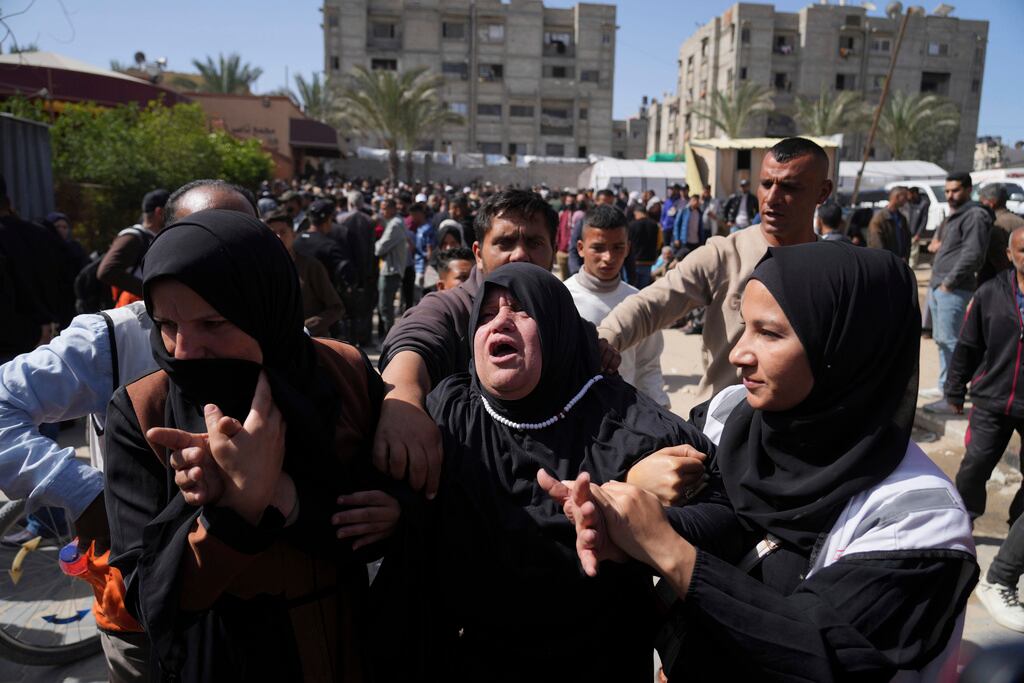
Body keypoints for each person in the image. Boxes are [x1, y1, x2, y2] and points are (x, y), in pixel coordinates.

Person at [547, 242, 979, 680]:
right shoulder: (730, 418)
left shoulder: (918, 519)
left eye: (769, 333)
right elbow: (722, 524)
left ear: (844, 346)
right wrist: (626, 518)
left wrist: (671, 553)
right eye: (744, 327)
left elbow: (824, 651)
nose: (738, 353)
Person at [370, 263, 712, 682]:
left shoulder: (620, 417)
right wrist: (398, 510)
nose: (500, 322)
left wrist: (634, 508)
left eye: (520, 310)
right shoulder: (452, 411)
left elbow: (721, 505)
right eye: (485, 314)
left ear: (556, 327)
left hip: (597, 663)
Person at [104, 209, 394, 681]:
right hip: (215, 660)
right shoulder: (143, 411)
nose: (184, 350)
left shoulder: (342, 375)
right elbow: (147, 595)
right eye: (167, 325)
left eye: (213, 323)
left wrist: (290, 498)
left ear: (267, 307)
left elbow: (394, 505)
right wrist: (236, 511)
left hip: (344, 644)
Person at [0, 179, 258, 682]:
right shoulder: (114, 337)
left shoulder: (291, 339)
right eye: (194, 241)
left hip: (259, 603)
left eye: (238, 246)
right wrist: (84, 493)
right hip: (138, 616)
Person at [599, 137, 834, 404]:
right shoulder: (723, 255)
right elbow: (652, 303)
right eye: (766, 184)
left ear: (823, 192)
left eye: (790, 187)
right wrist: (607, 338)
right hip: (723, 427)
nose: (772, 198)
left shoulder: (835, 270)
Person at [376, 190, 561, 498]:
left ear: (553, 251)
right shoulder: (451, 307)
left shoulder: (559, 315)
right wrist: (402, 401)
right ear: (478, 252)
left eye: (534, 242)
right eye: (504, 243)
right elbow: (416, 339)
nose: (519, 255)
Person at [566, 205, 669, 407]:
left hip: (625, 414)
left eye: (617, 248)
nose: (608, 257)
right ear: (580, 248)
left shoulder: (639, 302)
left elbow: (648, 365)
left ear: (628, 248)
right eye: (598, 247)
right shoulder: (563, 298)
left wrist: (659, 411)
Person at [923, 172, 994, 403]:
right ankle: (945, 386)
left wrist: (948, 283)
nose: (950, 196)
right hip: (940, 286)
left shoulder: (974, 215)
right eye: (947, 191)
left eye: (955, 191)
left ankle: (954, 395)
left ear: (968, 189)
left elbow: (973, 255)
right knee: (943, 340)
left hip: (953, 288)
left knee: (953, 342)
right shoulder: (957, 215)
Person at [265, 209, 344, 337]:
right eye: (273, 233)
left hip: (310, 343)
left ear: (294, 234)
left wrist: (307, 327)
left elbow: (336, 308)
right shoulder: (261, 268)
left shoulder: (311, 267)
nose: (278, 237)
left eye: (283, 232)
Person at [98, 189, 169, 308]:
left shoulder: (153, 237)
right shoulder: (133, 237)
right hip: (133, 311)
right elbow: (106, 271)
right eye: (172, 212)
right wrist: (151, 292)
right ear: (159, 212)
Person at [335, 190, 378, 347]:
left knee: (347, 308)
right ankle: (363, 338)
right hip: (365, 270)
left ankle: (347, 339)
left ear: (350, 203)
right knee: (365, 307)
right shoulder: (369, 221)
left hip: (346, 270)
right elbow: (372, 248)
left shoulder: (340, 219)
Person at [977, 183, 1024, 285]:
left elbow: (999, 260)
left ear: (991, 203)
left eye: (981, 202)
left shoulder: (996, 224)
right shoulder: (1019, 220)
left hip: (1001, 282)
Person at [375, 197, 408, 338]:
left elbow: (379, 249)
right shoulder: (393, 222)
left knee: (385, 307)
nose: (382, 211)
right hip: (390, 269)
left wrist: (376, 244)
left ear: (393, 208)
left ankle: (390, 339)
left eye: (384, 208)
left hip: (391, 271)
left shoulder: (395, 225)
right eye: (381, 208)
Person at [867, 186, 910, 259]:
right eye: (905, 197)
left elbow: (906, 240)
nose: (907, 200)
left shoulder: (902, 218)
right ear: (897, 197)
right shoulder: (879, 219)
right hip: (886, 262)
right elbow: (877, 245)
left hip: (899, 261)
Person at [628, 198, 662, 288]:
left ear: (636, 213)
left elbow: (628, 243)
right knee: (644, 288)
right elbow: (659, 243)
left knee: (633, 287)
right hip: (648, 261)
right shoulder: (655, 225)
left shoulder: (631, 225)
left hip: (634, 261)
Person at [907, 186, 931, 268]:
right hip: (905, 233)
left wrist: (918, 234)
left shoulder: (923, 203)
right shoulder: (907, 203)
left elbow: (924, 220)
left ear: (914, 194)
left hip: (914, 234)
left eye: (909, 194)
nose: (908, 196)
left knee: (913, 256)